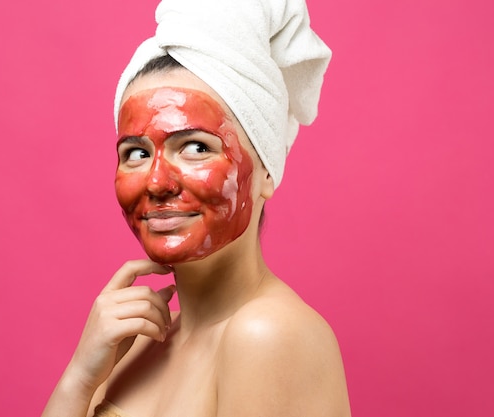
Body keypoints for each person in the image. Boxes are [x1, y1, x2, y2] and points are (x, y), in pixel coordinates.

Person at [43, 0, 351, 416]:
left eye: (195, 147)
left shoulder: (267, 334)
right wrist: (79, 379)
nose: (156, 182)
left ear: (266, 172)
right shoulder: (139, 343)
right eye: (135, 153)